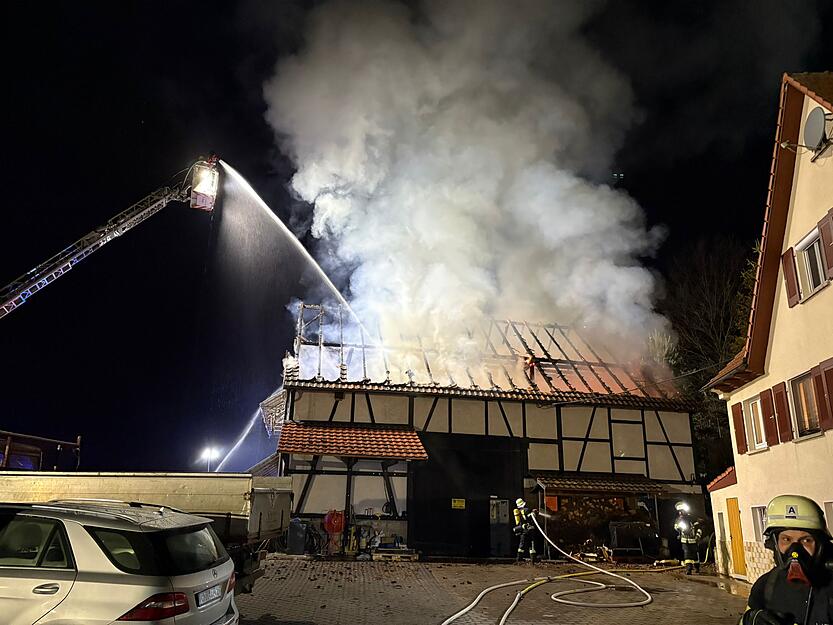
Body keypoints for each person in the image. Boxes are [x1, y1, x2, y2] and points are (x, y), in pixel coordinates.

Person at [740, 495, 832, 625]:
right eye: (786, 539)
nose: (795, 551)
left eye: (806, 540)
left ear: (820, 546)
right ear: (774, 544)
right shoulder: (765, 585)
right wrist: (749, 620)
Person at [674, 501, 702, 574]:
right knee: (687, 555)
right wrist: (678, 528)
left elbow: (699, 528)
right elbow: (676, 527)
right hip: (684, 540)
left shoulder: (692, 518)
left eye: (682, 511)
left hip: (693, 540)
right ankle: (688, 569)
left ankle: (697, 568)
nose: (681, 513)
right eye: (679, 511)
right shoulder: (679, 519)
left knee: (695, 555)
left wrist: (697, 537)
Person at [513, 497, 538, 564]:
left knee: (521, 545)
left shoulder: (518, 512)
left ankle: (519, 559)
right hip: (530, 530)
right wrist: (534, 512)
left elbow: (518, 522)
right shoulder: (527, 510)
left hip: (523, 530)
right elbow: (531, 517)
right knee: (531, 544)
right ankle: (533, 560)